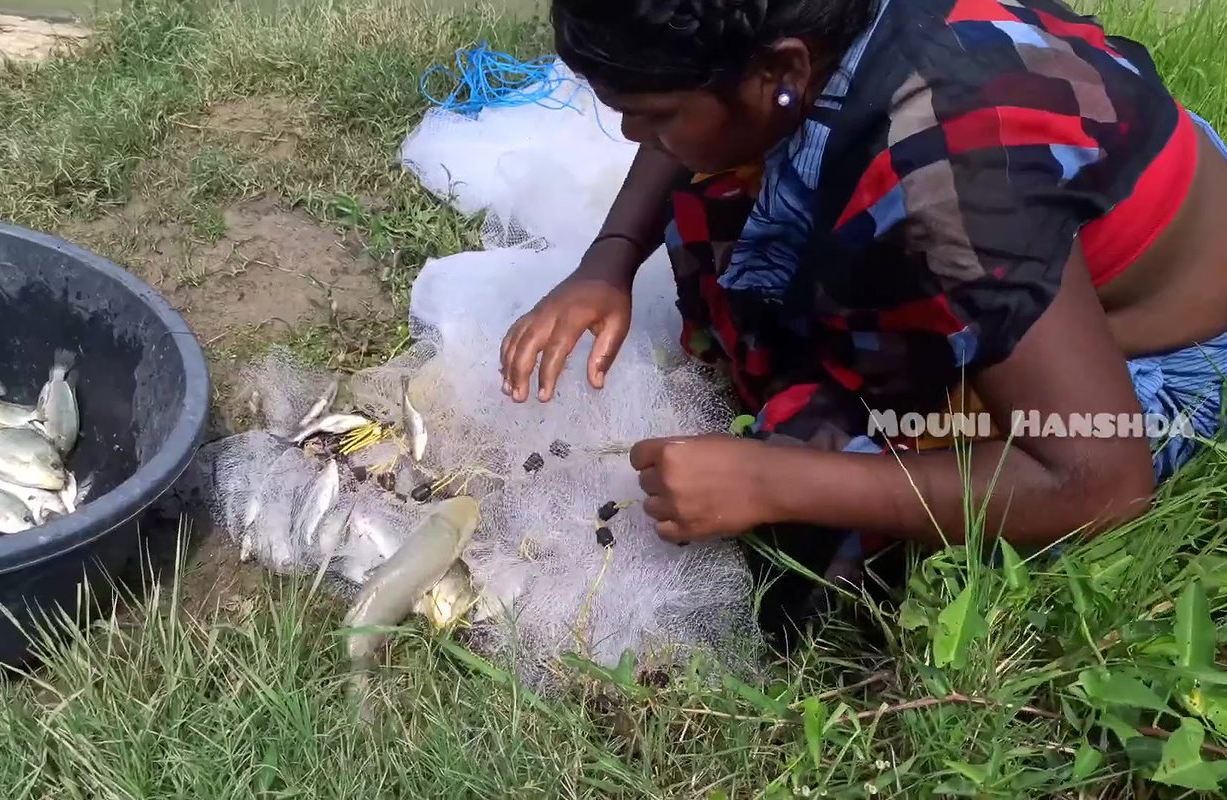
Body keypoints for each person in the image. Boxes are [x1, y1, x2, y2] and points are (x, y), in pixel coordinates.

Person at [498, 0, 1227, 646]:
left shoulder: (955, 182)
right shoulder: (810, 38)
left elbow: (1099, 481)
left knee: (833, 517)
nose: (631, 131)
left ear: (780, 71)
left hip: (1148, 366)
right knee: (716, 230)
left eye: (654, 115)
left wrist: (778, 481)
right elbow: (697, 91)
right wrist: (609, 260)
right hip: (1056, 215)